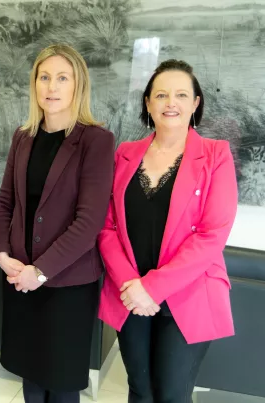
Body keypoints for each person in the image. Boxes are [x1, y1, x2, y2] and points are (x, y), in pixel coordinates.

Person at [98, 59, 238, 403]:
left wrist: (153, 287)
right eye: (160, 95)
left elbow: (211, 234)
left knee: (172, 394)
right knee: (140, 390)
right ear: (148, 103)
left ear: (195, 103)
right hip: (130, 293)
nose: (170, 102)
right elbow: (107, 227)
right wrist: (133, 285)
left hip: (188, 295)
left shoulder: (215, 155)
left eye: (180, 94)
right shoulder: (125, 154)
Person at [0, 44, 115, 403]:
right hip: (19, 278)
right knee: (31, 380)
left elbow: (88, 221)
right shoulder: (23, 136)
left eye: (63, 78)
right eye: (44, 77)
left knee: (61, 387)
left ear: (78, 85)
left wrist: (40, 271)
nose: (52, 86)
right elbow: (5, 203)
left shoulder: (96, 140)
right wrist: (2, 254)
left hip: (67, 286)